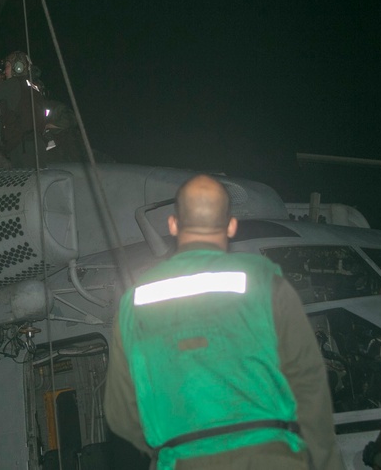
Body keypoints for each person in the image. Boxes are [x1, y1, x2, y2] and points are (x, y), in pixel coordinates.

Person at [104, 174, 343, 470]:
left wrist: (171, 449)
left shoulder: (134, 302)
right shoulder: (265, 282)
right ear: (230, 225)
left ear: (173, 225)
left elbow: (120, 414)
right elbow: (309, 386)